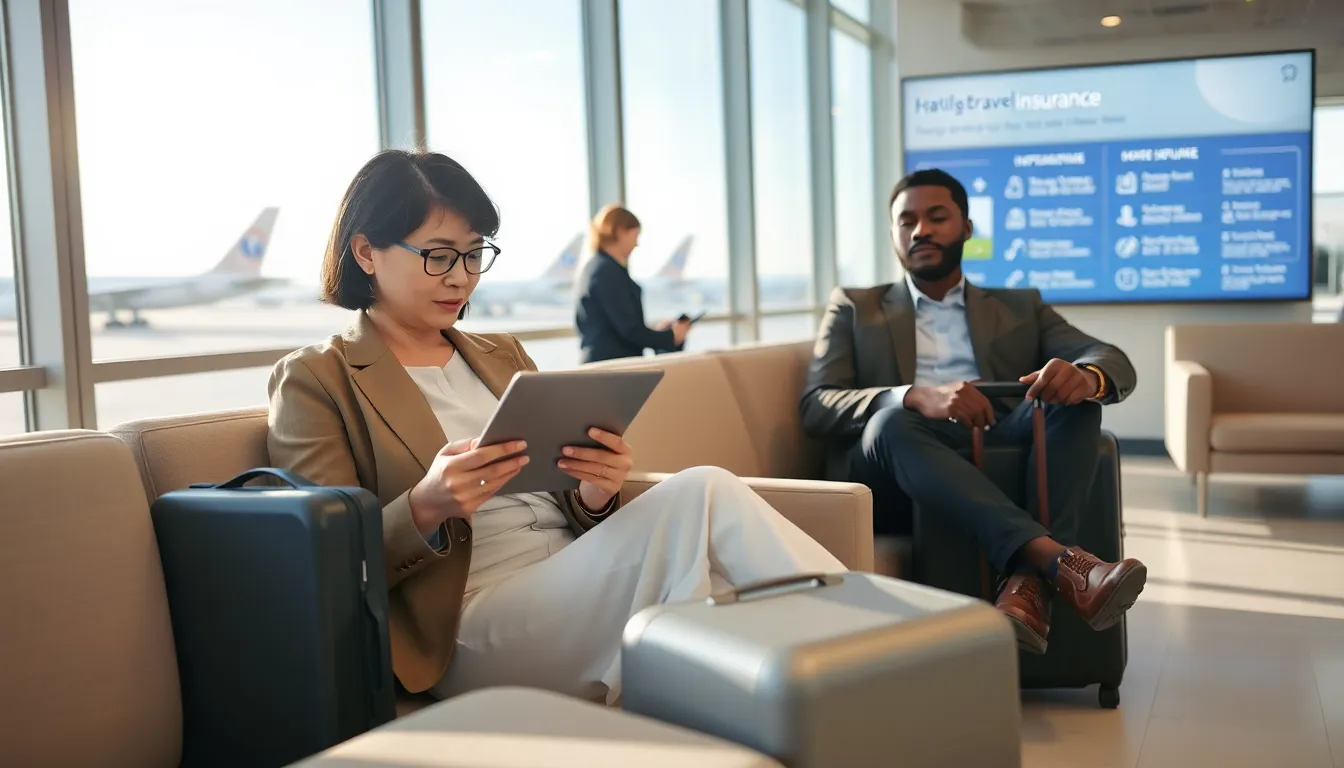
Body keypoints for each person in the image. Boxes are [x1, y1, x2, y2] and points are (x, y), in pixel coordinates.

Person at [267, 149, 845, 705]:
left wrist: (595, 494)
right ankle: (878, 642)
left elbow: (569, 509)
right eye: (439, 255)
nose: (461, 277)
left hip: (573, 584)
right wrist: (426, 505)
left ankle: (863, 670)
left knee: (740, 594)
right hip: (466, 624)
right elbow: (322, 562)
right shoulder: (319, 379)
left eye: (474, 254)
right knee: (704, 494)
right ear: (366, 252)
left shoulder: (500, 354)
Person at [799, 168, 1146, 655]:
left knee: (1076, 402)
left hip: (995, 438)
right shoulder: (856, 307)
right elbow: (817, 404)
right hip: (897, 465)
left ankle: (1027, 586)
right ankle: (1063, 565)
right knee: (891, 419)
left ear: (965, 226)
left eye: (937, 217)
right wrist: (912, 394)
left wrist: (1087, 378)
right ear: (894, 235)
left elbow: (1107, 357)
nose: (921, 230)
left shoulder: (1019, 306)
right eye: (907, 221)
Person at [574, 204, 692, 363]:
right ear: (620, 232)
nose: (637, 244)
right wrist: (670, 336)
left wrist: (659, 333)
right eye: (635, 235)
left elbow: (620, 325)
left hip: (608, 365)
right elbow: (629, 329)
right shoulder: (607, 271)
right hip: (611, 368)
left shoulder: (597, 267)